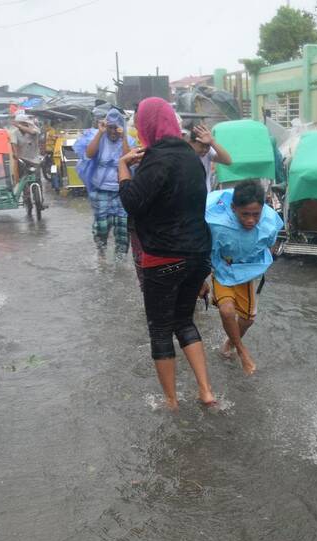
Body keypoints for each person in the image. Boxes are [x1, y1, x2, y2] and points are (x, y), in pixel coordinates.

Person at [119, 97, 216, 409]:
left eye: (137, 121)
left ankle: (171, 401)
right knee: (184, 321)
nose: (135, 126)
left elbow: (132, 202)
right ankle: (205, 391)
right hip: (198, 254)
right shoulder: (189, 155)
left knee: (160, 330)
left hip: (164, 256)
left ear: (148, 124)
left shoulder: (156, 159)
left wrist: (122, 166)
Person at [206, 179, 283, 375]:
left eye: (255, 214)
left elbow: (270, 244)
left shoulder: (268, 224)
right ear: (233, 208)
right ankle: (242, 351)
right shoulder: (217, 224)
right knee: (226, 311)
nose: (250, 220)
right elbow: (208, 249)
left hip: (247, 272)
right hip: (224, 269)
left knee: (247, 320)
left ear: (263, 208)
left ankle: (230, 343)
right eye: (245, 214)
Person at [75, 107, 130, 258]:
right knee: (102, 227)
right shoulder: (97, 138)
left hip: (121, 191)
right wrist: (100, 132)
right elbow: (89, 154)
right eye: (110, 128)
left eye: (116, 128)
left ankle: (120, 262)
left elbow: (128, 160)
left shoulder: (126, 140)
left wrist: (123, 137)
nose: (113, 131)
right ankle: (101, 253)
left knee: (123, 229)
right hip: (101, 190)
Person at [184, 122, 232, 191]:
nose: (205, 150)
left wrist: (212, 142)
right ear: (191, 142)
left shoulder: (208, 152)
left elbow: (228, 161)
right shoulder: (182, 153)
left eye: (208, 146)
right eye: (202, 146)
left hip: (205, 195)